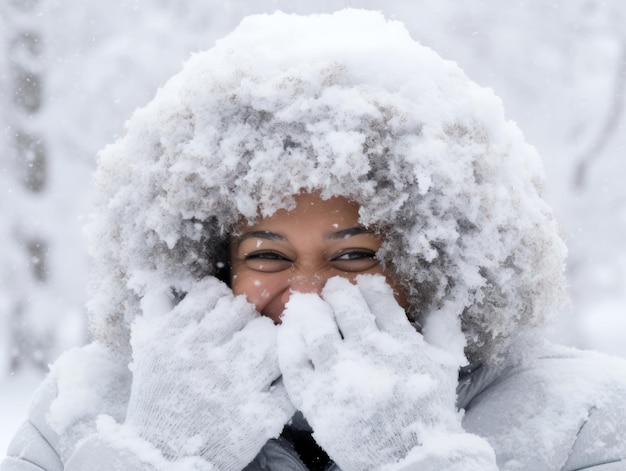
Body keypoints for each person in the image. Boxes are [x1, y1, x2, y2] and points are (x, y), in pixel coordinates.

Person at [3, 9, 626, 471]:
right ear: (209, 268)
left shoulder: (576, 418)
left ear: (437, 265)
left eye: (353, 256)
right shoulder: (81, 412)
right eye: (268, 256)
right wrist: (159, 452)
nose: (307, 294)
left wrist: (413, 456)